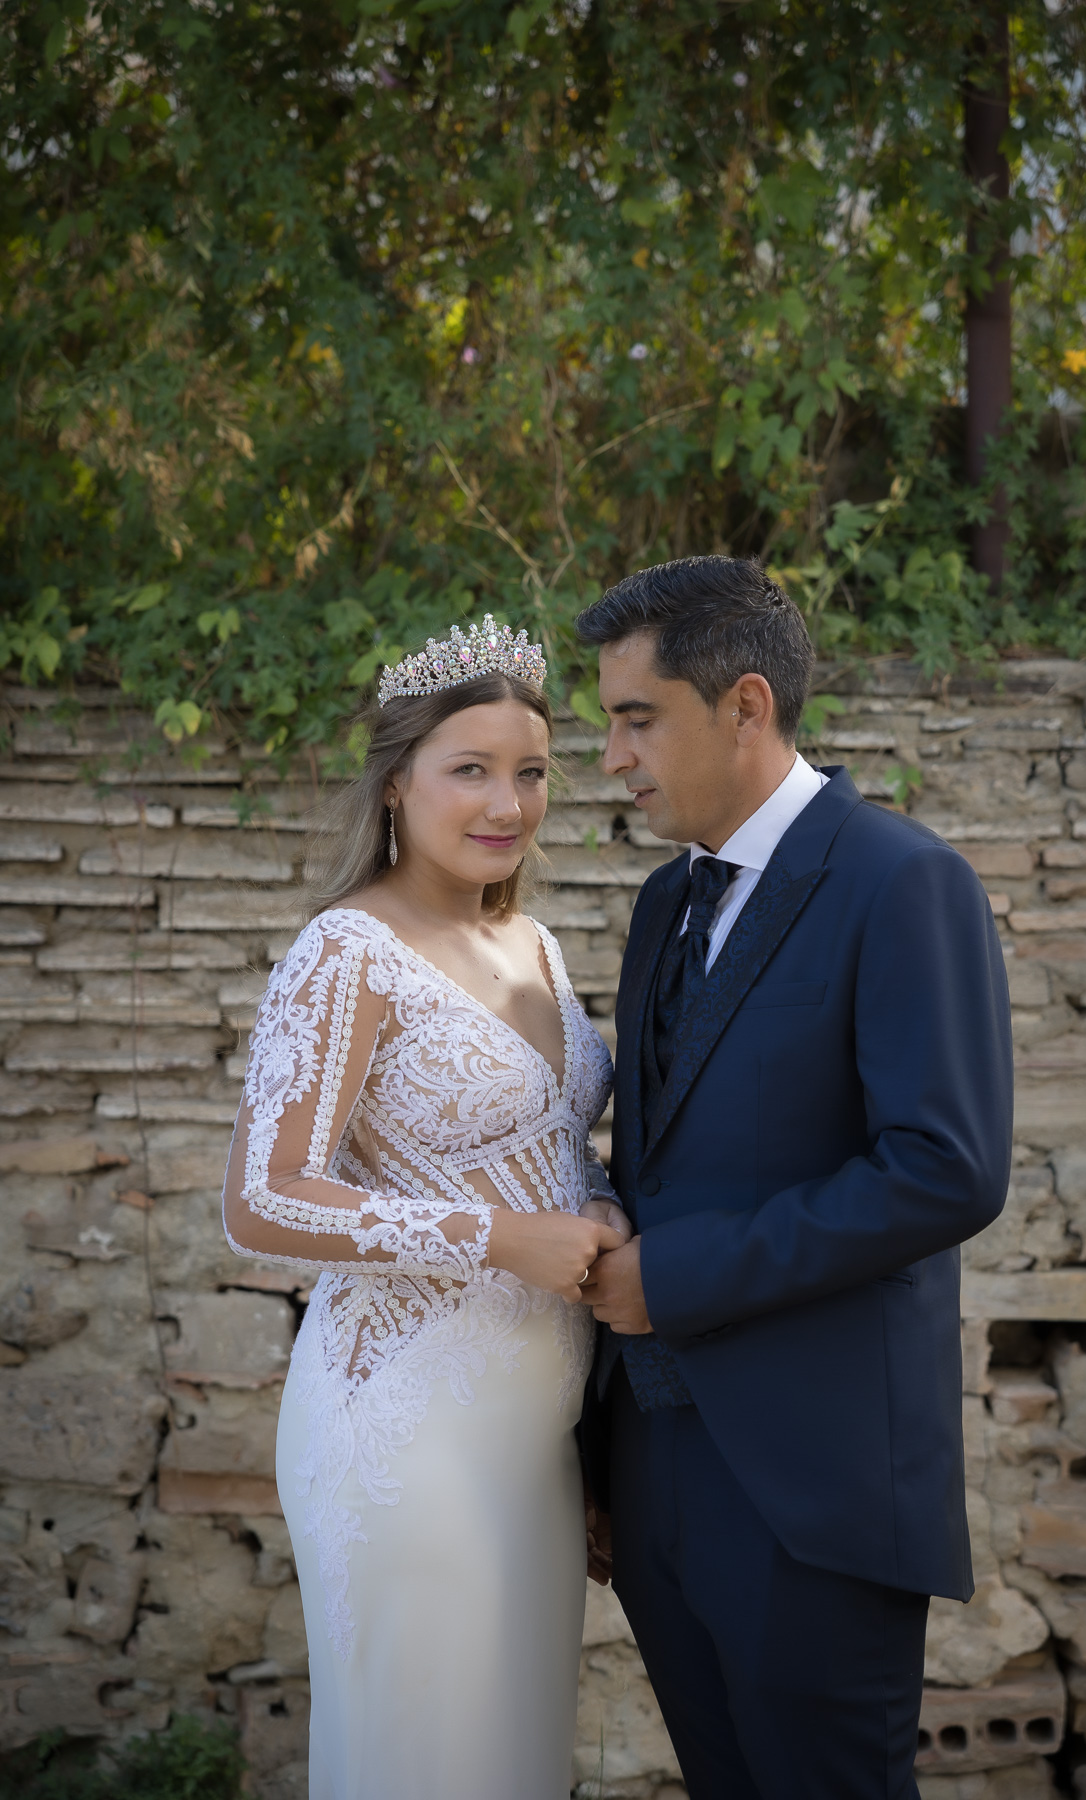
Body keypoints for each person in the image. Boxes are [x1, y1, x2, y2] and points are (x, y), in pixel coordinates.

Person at [575, 558, 1014, 1800]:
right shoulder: (666, 903)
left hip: (814, 1496)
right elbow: (659, 1164)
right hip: (657, 1476)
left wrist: (684, 1275)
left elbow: (949, 1169)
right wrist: (607, 1458)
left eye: (635, 718)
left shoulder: (903, 881)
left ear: (746, 706)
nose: (612, 758)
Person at [222, 617, 629, 1800]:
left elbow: (560, 1152)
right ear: (398, 782)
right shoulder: (346, 951)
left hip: (536, 1433)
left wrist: (600, 1220)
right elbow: (261, 1199)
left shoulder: (538, 946)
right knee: (428, 1763)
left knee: (513, 1761)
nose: (508, 802)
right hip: (405, 1424)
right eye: (472, 769)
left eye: (532, 770)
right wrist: (503, 1238)